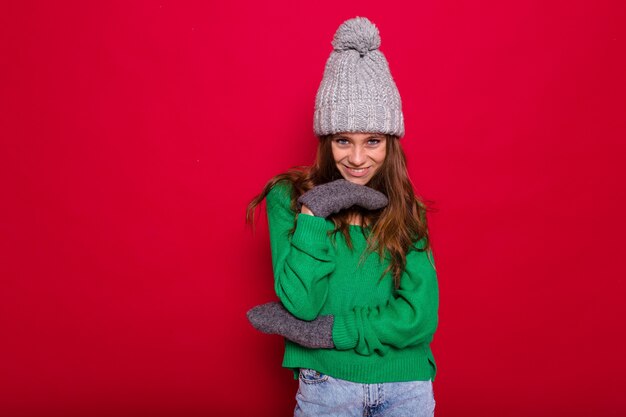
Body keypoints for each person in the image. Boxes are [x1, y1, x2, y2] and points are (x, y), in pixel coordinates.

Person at [245, 16, 439, 417]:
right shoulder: (291, 198)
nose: (355, 158)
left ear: (391, 143)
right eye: (342, 140)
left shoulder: (408, 208)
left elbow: (420, 319)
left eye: (372, 141)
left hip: (407, 387)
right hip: (326, 388)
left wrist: (331, 332)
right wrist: (316, 210)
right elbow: (301, 305)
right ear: (326, 140)